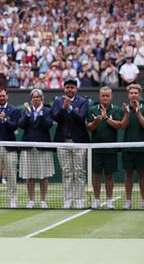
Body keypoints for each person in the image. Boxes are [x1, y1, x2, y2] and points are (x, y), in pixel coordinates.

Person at [52, 79, 90, 209]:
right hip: (63, 141)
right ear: (64, 89)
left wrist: (70, 108)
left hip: (78, 141)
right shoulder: (57, 101)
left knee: (79, 171)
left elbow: (81, 118)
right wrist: (63, 107)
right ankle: (68, 200)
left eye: (72, 87)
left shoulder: (83, 101)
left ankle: (79, 199)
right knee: (66, 171)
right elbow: (55, 117)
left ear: (76, 89)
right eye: (67, 87)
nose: (69, 89)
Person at [86, 86, 123, 210]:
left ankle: (109, 200)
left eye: (107, 96)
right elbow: (90, 127)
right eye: (103, 95)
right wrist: (97, 120)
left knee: (109, 176)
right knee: (96, 176)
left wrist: (106, 118)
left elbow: (119, 125)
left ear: (111, 96)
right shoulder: (92, 109)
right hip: (96, 149)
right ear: (100, 96)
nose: (105, 98)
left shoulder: (117, 110)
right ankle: (96, 200)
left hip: (111, 149)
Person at [18, 89, 54, 209]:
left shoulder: (47, 111)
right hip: (28, 147)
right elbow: (21, 125)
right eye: (33, 97)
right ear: (31, 99)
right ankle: (31, 200)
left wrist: (40, 114)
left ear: (41, 99)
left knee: (44, 176)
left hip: (43, 147)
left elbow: (48, 125)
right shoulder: (26, 111)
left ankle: (43, 200)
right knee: (29, 175)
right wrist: (28, 114)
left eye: (38, 97)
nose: (35, 99)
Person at [121, 84, 144, 210]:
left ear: (140, 95)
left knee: (142, 175)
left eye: (136, 93)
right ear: (128, 95)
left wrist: (138, 113)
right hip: (128, 147)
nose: (133, 95)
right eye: (131, 93)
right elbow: (123, 126)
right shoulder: (125, 109)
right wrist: (128, 113)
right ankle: (128, 201)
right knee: (128, 175)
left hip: (141, 147)